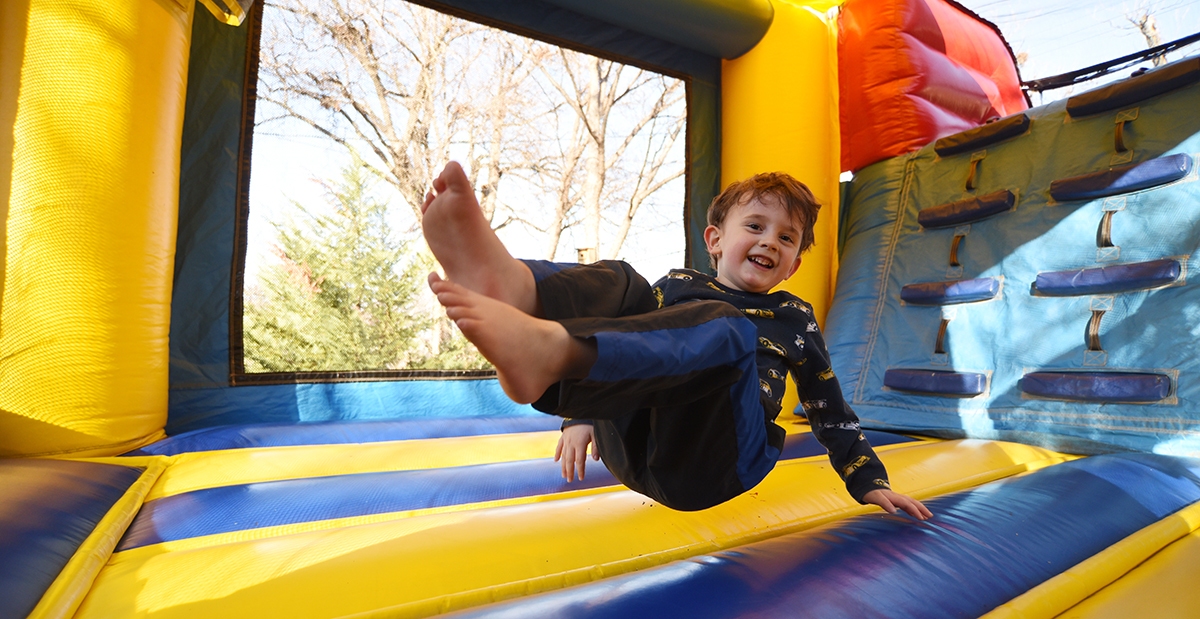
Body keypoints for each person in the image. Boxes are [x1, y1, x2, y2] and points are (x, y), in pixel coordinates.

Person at [421, 161, 930, 519]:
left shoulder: (793, 316)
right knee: (624, 283)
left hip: (715, 462)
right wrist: (581, 416)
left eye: (786, 237)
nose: (769, 241)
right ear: (715, 240)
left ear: (794, 264)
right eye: (755, 225)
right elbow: (630, 342)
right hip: (638, 445)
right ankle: (517, 287)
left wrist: (870, 481)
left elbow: (830, 411)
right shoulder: (678, 287)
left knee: (729, 329)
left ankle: (559, 353)